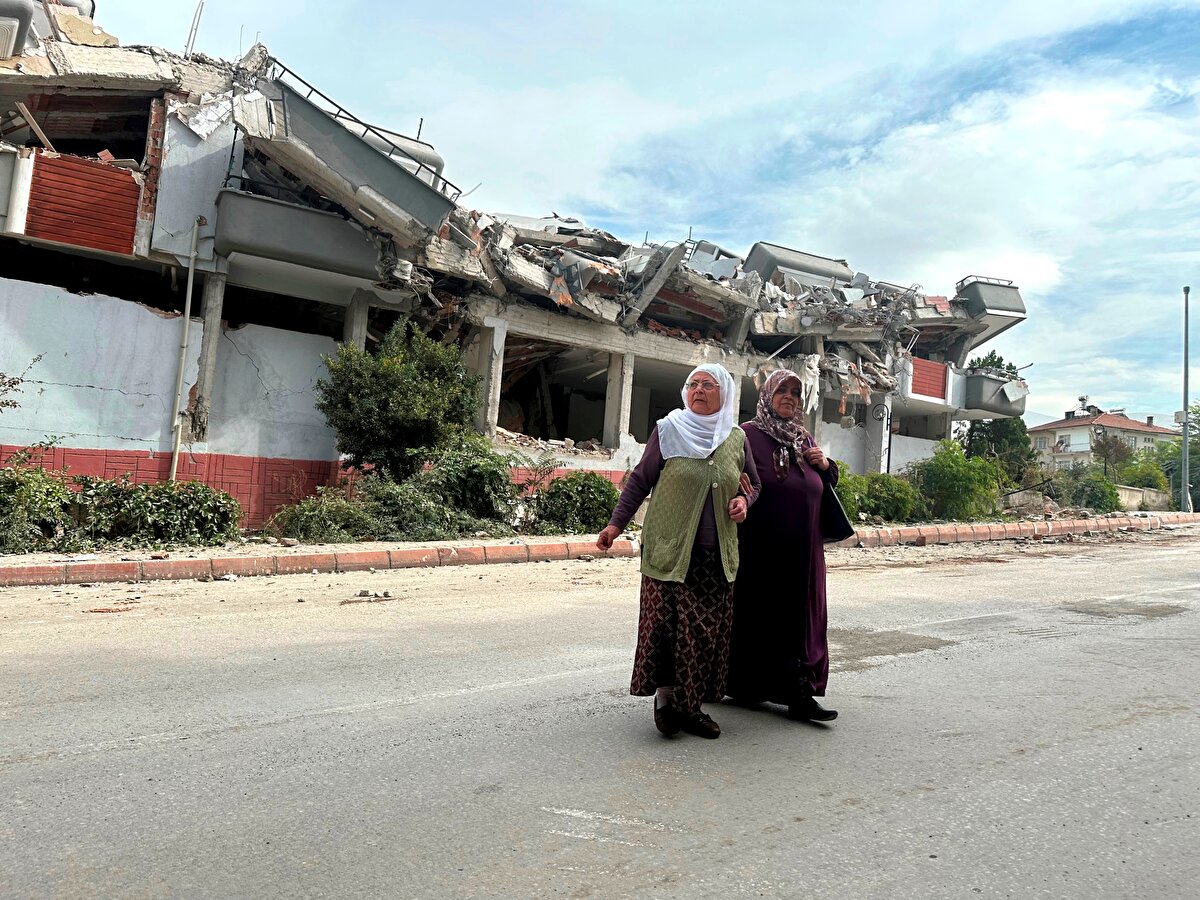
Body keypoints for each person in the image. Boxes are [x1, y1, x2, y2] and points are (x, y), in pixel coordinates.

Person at [597, 363, 760, 739]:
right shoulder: (668, 429)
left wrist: (744, 501)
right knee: (667, 629)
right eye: (693, 384)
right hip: (668, 551)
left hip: (715, 556)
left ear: (725, 394)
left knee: (702, 635)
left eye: (708, 385)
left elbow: (754, 484)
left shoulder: (736, 438)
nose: (698, 390)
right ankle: (666, 700)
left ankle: (692, 707)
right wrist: (615, 525)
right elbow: (640, 480)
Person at [727, 368, 839, 722]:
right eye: (782, 390)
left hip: (805, 549)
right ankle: (748, 686)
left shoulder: (802, 437)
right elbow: (725, 473)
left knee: (802, 618)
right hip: (761, 549)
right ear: (767, 395)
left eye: (795, 392)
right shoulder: (746, 435)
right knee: (759, 616)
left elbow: (822, 483)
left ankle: (799, 692)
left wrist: (826, 465)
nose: (789, 397)